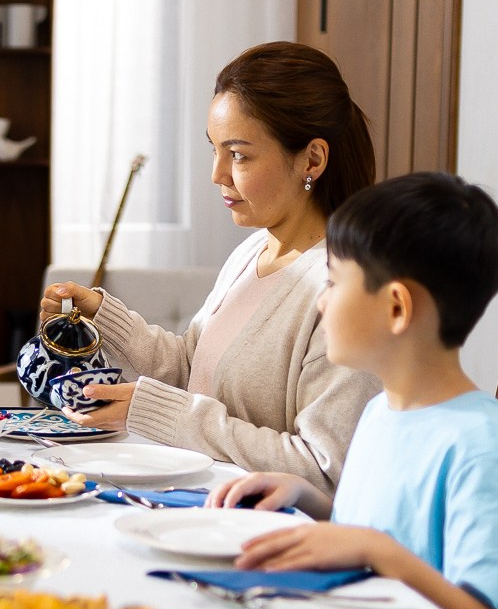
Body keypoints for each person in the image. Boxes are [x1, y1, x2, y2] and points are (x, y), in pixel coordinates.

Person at [212, 172, 498, 609]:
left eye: (333, 283)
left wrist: (376, 552)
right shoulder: (384, 411)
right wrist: (307, 497)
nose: (321, 301)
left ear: (397, 308)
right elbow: (390, 532)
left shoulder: (480, 450)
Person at [45, 42, 380, 494]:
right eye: (215, 150)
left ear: (312, 160)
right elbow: (193, 368)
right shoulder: (252, 253)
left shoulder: (346, 287)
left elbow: (325, 472)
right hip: (198, 502)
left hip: (261, 524)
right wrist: (104, 316)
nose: (217, 174)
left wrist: (164, 413)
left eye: (238, 154)